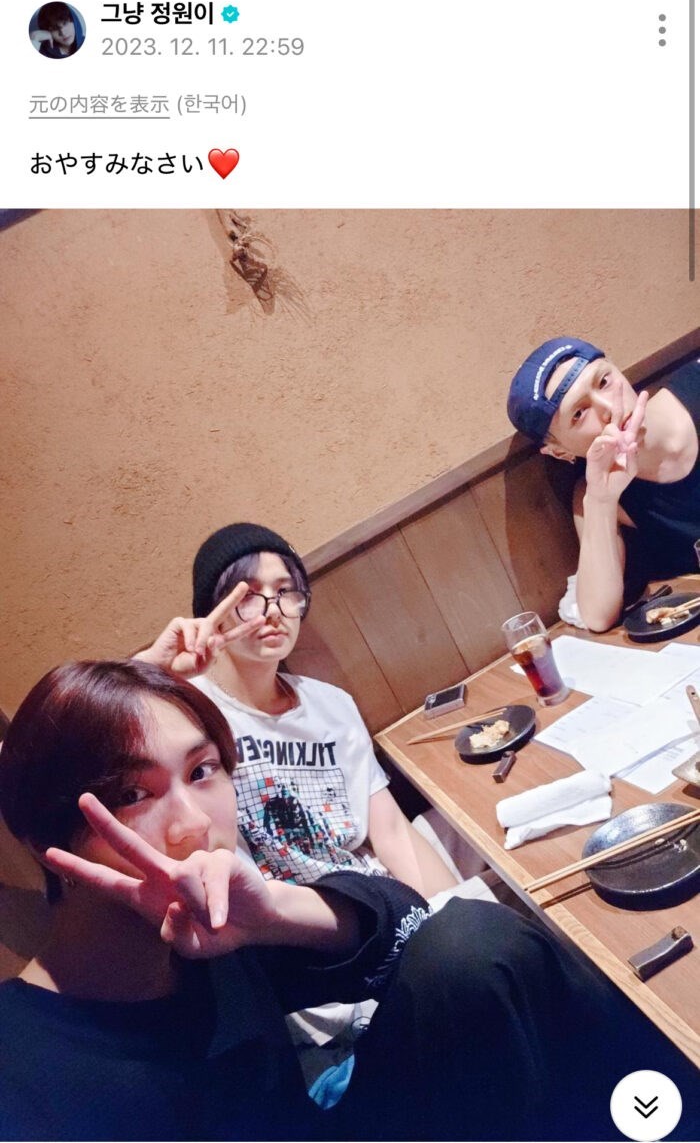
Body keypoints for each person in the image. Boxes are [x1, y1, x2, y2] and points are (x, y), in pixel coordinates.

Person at [1, 659, 697, 1142]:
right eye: (132, 794)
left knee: (476, 942)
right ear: (40, 835)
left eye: (202, 770)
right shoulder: (24, 1075)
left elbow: (405, 921)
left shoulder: (206, 936)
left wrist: (276, 913)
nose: (192, 823)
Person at [136, 523, 467, 899]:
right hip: (282, 914)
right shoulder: (184, 716)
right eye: (249, 596)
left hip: (372, 891)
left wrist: (453, 911)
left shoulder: (332, 704)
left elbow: (390, 831)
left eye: (284, 592)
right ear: (214, 614)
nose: (273, 611)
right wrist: (149, 670)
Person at [507, 338, 700, 631]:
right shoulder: (598, 495)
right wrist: (602, 499)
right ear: (560, 452)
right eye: (579, 413)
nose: (609, 407)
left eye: (604, 381)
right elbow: (598, 616)